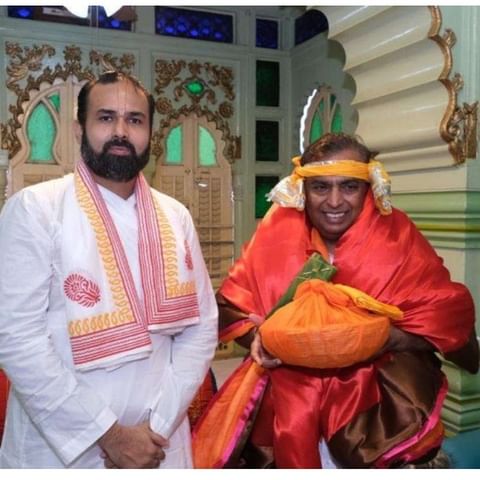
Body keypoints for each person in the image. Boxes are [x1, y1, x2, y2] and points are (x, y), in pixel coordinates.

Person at [192, 132, 478, 468]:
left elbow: (444, 317)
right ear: (303, 189)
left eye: (349, 186)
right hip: (284, 404)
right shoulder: (275, 233)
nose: (334, 202)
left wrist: (388, 338)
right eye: (320, 187)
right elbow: (233, 304)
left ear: (368, 188)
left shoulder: (397, 236)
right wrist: (258, 338)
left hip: (376, 412)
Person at [0, 71, 218, 468]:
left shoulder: (176, 217)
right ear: (78, 128)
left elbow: (201, 328)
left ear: (150, 133)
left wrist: (157, 427)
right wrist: (111, 436)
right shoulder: (36, 209)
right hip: (63, 449)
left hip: (159, 443)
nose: (121, 131)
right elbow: (17, 338)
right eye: (105, 118)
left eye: (135, 120)